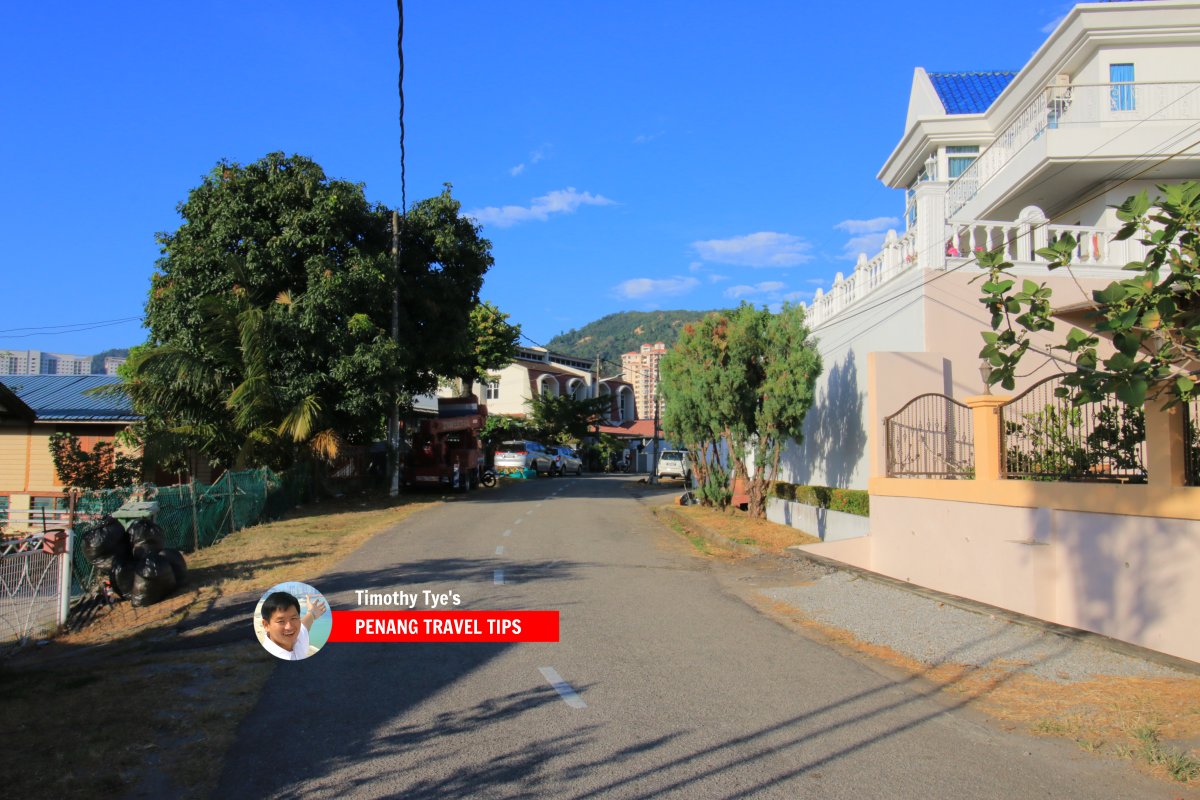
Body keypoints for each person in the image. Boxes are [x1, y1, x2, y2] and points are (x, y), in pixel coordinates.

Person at [259, 590, 327, 661]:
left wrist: (312, 613)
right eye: (281, 621)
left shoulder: (298, 637)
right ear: (266, 625)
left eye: (293, 618)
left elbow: (305, 624)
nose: (289, 627)